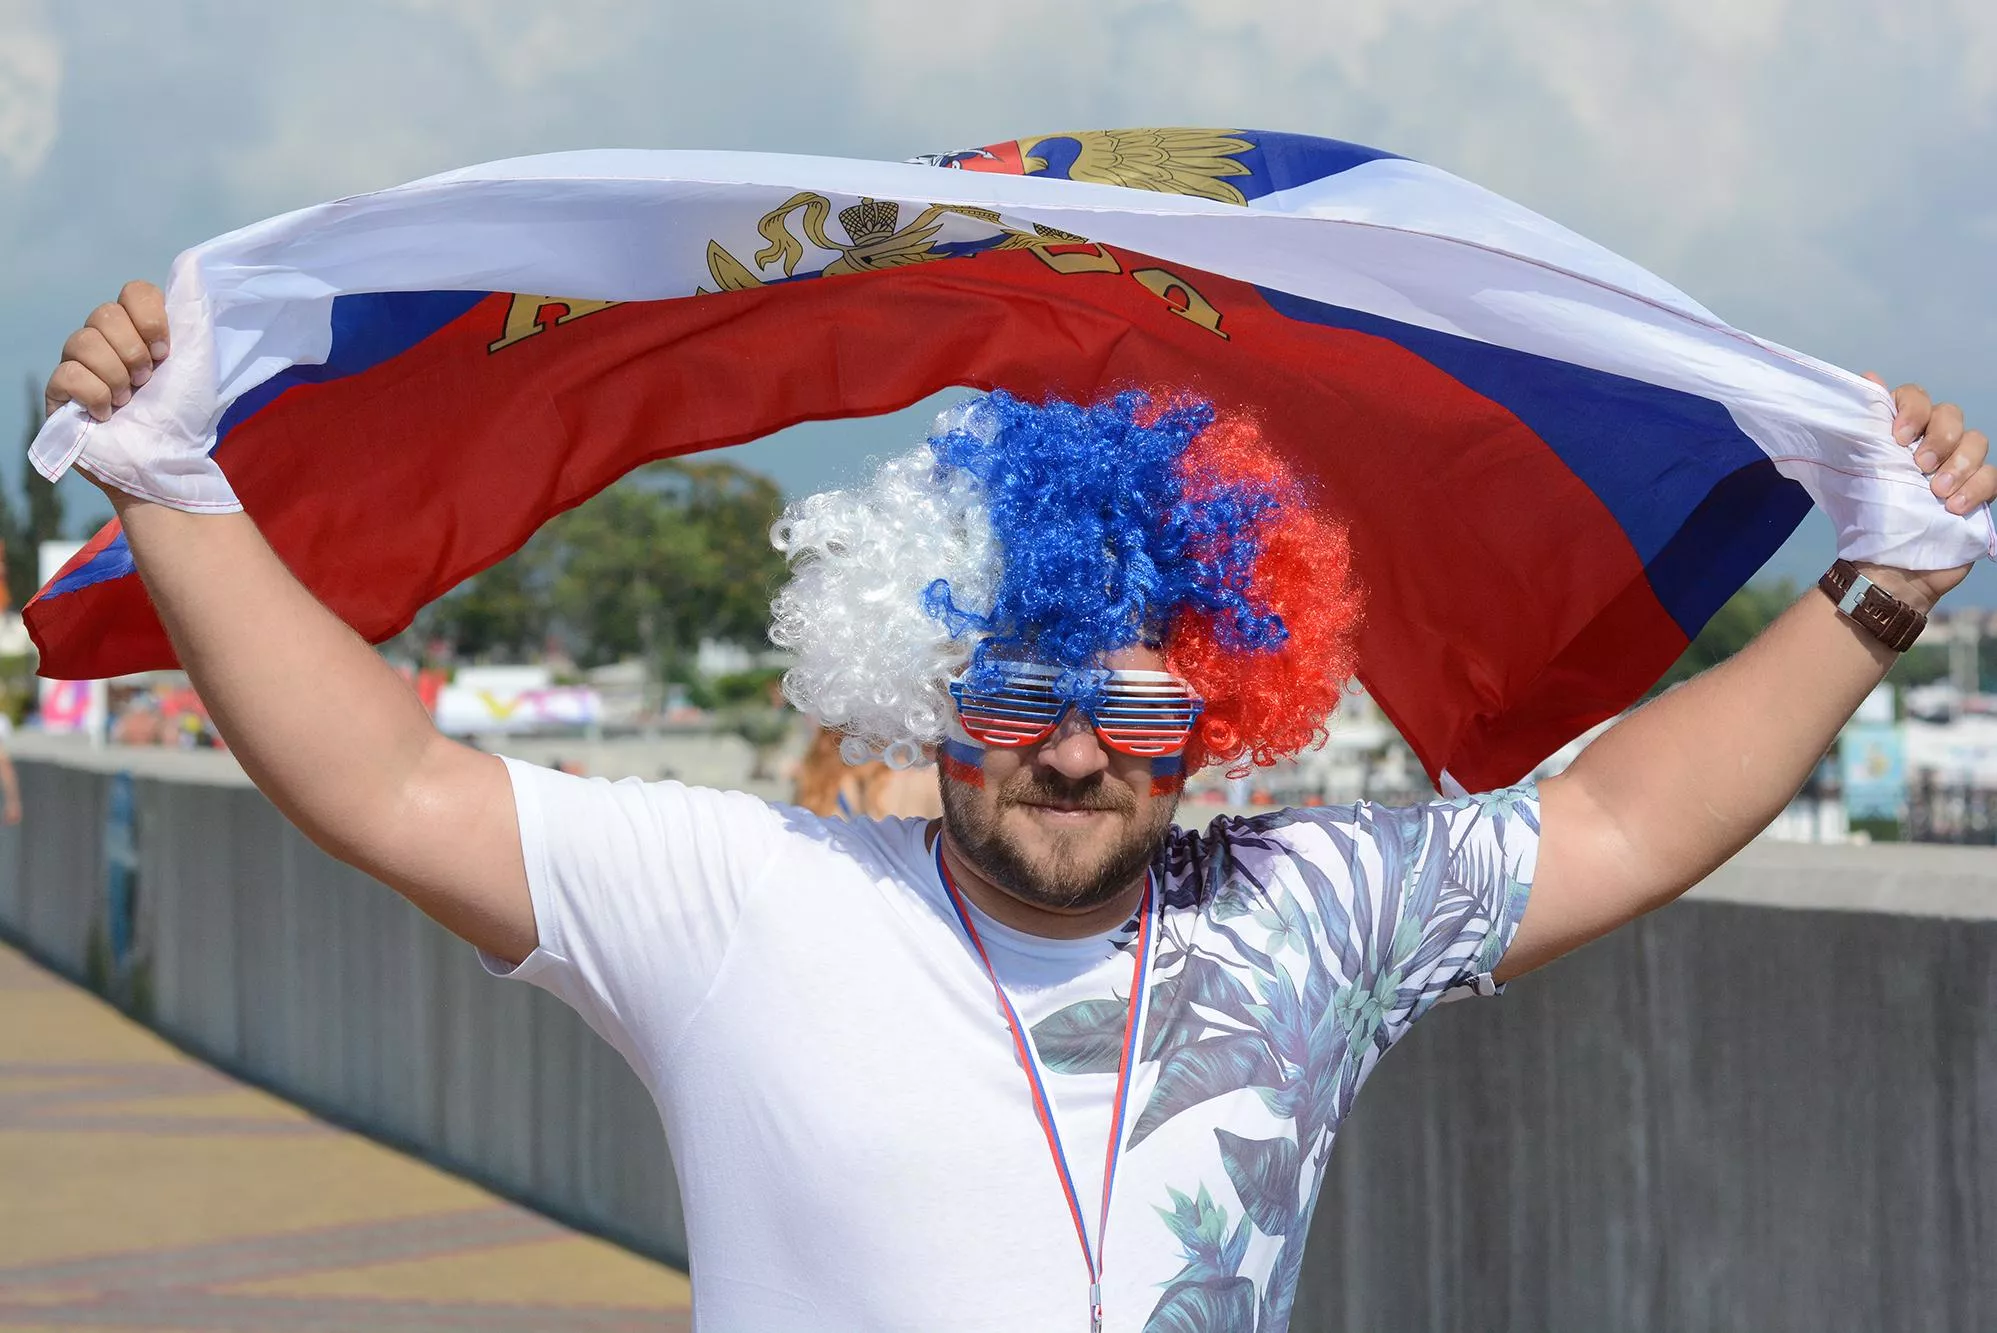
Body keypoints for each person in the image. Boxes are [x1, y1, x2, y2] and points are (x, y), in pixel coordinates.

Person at [44, 282, 1994, 1332]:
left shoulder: (1310, 911)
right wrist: (167, 484)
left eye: (1135, 705)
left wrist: (1879, 591)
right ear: (926, 696)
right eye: (1016, 694)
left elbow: (1624, 825)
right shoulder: (751, 895)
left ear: (1217, 713)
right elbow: (388, 784)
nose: (1072, 752)